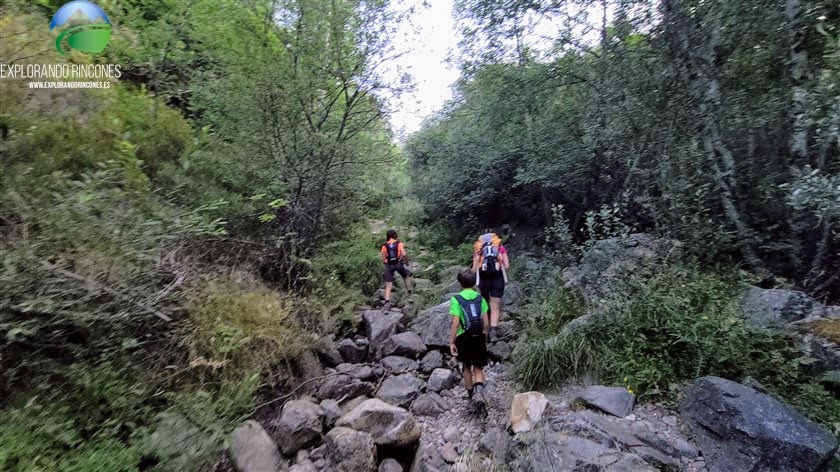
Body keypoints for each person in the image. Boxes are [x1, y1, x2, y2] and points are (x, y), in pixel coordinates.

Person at [448, 269, 490, 408]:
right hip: (478, 336)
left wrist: (452, 341)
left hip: (463, 337)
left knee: (466, 367)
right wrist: (485, 336)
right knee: (478, 367)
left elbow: (455, 322)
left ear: (459, 284)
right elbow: (486, 322)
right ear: (474, 283)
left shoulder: (456, 299)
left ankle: (471, 396)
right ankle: (480, 393)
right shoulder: (480, 298)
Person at [471, 228, 510, 342]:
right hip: (497, 278)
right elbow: (506, 265)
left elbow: (474, 269)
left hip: (483, 279)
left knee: (485, 304)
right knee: (495, 306)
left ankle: (485, 330)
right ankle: (493, 330)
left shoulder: (478, 248)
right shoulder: (499, 247)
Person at [380, 229, 412, 312]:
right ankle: (409, 294)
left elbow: (383, 259)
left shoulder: (384, 245)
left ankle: (387, 303)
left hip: (389, 265)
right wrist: (407, 262)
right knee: (405, 276)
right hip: (398, 264)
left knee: (388, 285)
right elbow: (404, 254)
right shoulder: (399, 243)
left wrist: (387, 264)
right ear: (395, 235)